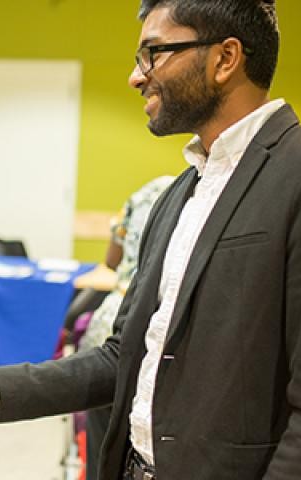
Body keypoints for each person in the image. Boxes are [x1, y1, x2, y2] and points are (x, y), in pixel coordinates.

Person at [0, 1, 301, 479]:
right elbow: (124, 354)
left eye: (154, 52)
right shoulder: (178, 194)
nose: (137, 75)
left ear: (225, 59)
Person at [77, 175, 173, 480]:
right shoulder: (188, 196)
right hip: (149, 327)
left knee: (100, 435)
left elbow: (111, 260)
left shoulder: (141, 194)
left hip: (109, 319)